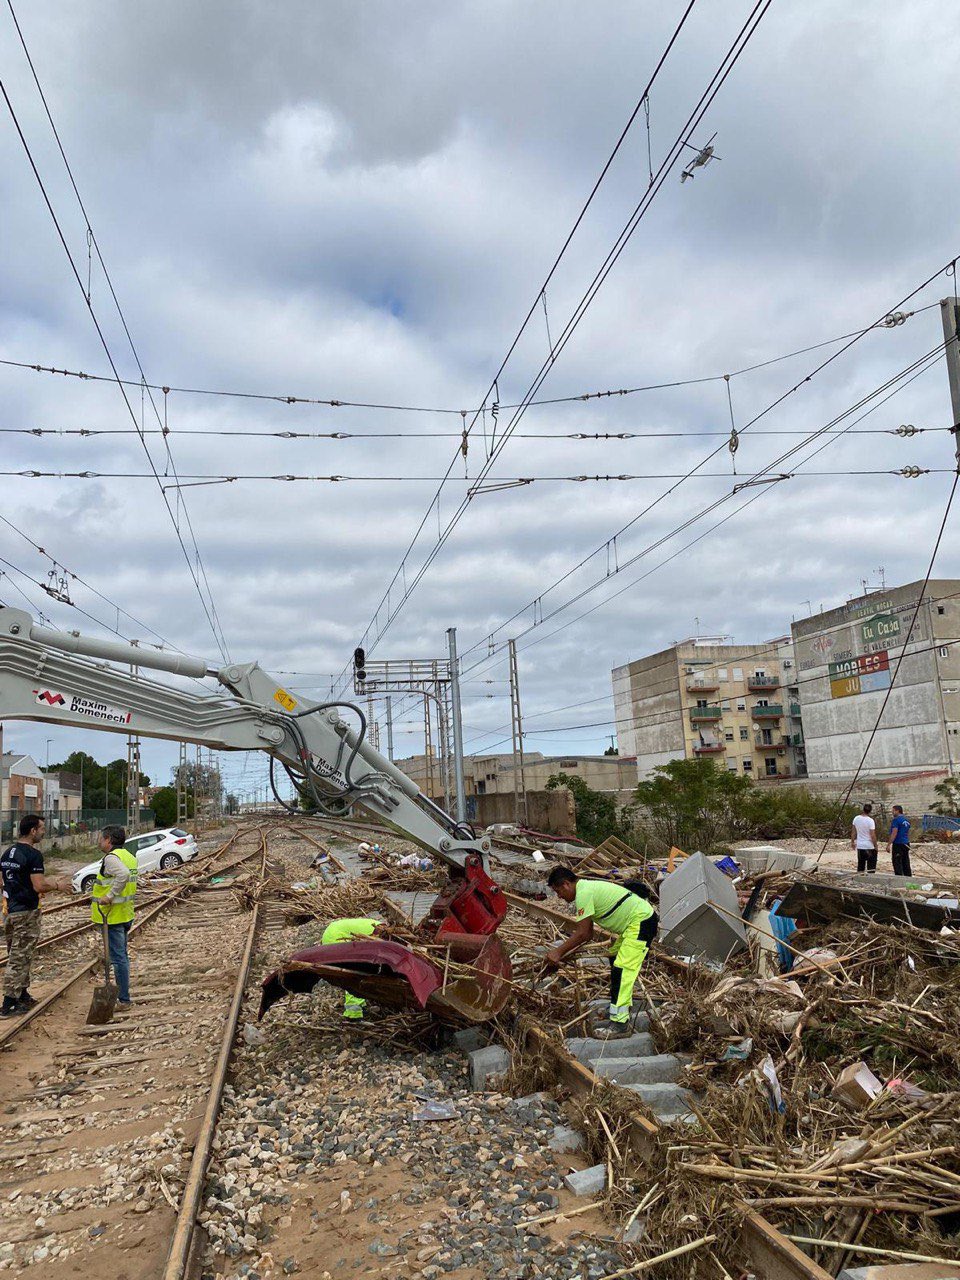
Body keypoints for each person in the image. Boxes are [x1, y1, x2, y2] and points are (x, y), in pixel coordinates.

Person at [544, 867, 657, 1037]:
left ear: (566, 884)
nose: (559, 896)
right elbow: (587, 934)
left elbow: (583, 933)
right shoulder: (584, 889)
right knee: (615, 958)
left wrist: (558, 952)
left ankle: (620, 1024)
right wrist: (564, 955)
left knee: (622, 969)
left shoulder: (584, 893)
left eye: (558, 891)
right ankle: (619, 1005)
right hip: (634, 924)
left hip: (641, 921)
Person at [2, 815, 71, 1017]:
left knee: (20, 954)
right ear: (32, 831)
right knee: (19, 957)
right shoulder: (33, 855)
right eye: (41, 828)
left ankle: (22, 994)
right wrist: (57, 885)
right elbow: (39, 885)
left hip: (10, 911)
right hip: (26, 912)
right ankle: (9, 1004)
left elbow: (1, 881)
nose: (43, 832)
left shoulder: (8, 853)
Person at [90, 825, 138, 1008]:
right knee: (121, 956)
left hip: (112, 917)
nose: (99, 841)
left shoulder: (111, 858)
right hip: (125, 913)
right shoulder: (129, 856)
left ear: (108, 839)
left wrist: (108, 896)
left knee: (118, 959)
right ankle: (123, 996)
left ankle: (123, 999)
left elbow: (123, 875)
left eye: (101, 838)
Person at [320, 917, 381, 1019]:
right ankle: (353, 1013)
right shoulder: (381, 931)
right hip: (336, 937)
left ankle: (360, 1005)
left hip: (333, 932)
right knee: (354, 974)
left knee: (360, 970)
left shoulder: (378, 926)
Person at [851, 803, 878, 873]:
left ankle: (860, 878)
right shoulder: (870, 821)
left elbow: (853, 832)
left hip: (860, 845)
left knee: (861, 865)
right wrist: (875, 845)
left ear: (863, 809)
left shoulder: (856, 818)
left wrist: (852, 842)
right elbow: (872, 835)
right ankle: (870, 879)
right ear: (870, 811)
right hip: (869, 846)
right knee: (871, 866)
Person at [888, 805, 912, 877]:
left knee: (897, 862)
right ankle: (908, 876)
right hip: (906, 843)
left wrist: (889, 844)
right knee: (905, 861)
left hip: (898, 844)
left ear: (897, 811)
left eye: (893, 811)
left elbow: (894, 833)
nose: (892, 812)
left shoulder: (896, 820)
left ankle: (899, 877)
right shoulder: (906, 820)